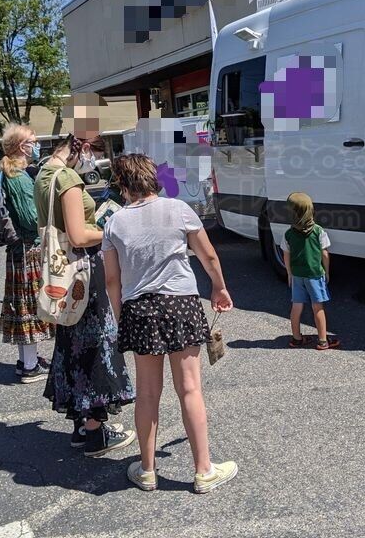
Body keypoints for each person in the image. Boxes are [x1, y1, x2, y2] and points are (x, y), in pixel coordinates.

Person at [102, 154, 237, 494]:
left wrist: (120, 317)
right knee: (189, 388)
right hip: (181, 304)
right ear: (153, 179)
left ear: (123, 184)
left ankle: (147, 470)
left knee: (148, 393)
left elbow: (112, 281)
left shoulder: (114, 223)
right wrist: (219, 287)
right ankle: (204, 470)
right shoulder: (179, 210)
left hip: (139, 308)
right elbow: (208, 256)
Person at [34, 134, 136, 456]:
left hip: (63, 273)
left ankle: (82, 426)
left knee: (72, 346)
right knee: (96, 347)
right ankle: (95, 431)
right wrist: (112, 230)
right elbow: (78, 235)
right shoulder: (67, 178)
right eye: (93, 154)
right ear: (85, 148)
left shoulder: (44, 174)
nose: (91, 163)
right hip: (83, 273)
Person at [0, 124, 55, 384]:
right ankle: (30, 366)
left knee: (24, 306)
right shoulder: (18, 178)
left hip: (20, 250)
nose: (37, 144)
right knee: (30, 307)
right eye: (33, 140)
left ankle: (26, 361)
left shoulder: (12, 173)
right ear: (22, 146)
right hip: (27, 249)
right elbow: (31, 219)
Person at [282, 192, 340, 350]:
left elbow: (286, 255)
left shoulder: (288, 234)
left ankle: (297, 338)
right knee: (317, 307)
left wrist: (289, 273)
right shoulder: (318, 231)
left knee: (296, 307)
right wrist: (326, 271)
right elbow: (325, 254)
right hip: (315, 275)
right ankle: (322, 340)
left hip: (297, 275)